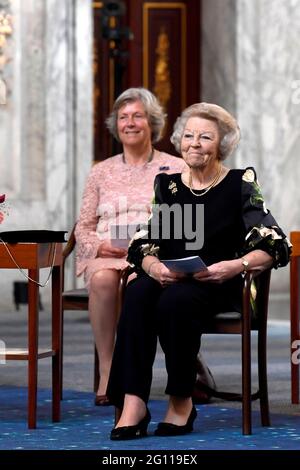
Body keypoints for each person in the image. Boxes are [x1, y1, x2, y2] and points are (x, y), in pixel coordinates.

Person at [106, 102, 291, 440]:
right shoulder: (168, 186)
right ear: (179, 141)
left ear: (221, 144)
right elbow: (143, 242)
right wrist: (154, 266)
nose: (194, 143)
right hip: (172, 277)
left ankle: (181, 399)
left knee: (175, 300)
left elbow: (275, 243)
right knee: (138, 291)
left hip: (222, 283)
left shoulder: (239, 184)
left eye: (205, 137)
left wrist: (235, 265)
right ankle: (134, 401)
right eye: (189, 136)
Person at [75, 87, 187, 405]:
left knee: (141, 284)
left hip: (154, 254)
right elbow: (82, 226)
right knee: (103, 279)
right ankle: (110, 371)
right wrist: (98, 245)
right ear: (116, 125)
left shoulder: (176, 167)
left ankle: (161, 369)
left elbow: (183, 219)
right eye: (124, 117)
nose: (130, 123)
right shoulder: (100, 172)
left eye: (138, 116)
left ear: (151, 122)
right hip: (108, 254)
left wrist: (154, 247)